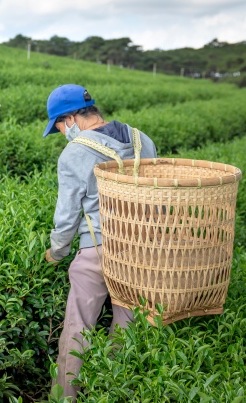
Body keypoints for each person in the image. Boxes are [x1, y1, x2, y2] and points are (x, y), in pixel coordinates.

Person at [42, 84, 157, 401]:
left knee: (78, 326)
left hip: (99, 250)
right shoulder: (142, 140)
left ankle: (66, 395)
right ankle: (109, 392)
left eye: (60, 126)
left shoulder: (74, 153)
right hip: (142, 248)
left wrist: (57, 251)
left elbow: (66, 218)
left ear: (71, 118)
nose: (63, 132)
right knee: (127, 327)